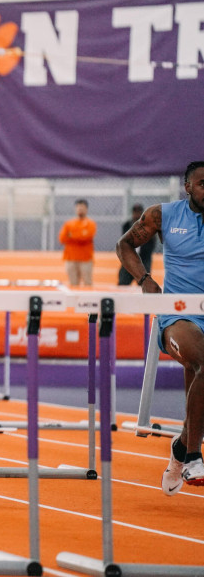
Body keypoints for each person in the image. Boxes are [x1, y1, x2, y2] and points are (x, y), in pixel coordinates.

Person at [116, 161, 204, 493]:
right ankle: (194, 455)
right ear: (188, 187)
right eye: (202, 184)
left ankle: (180, 448)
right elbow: (124, 244)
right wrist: (144, 279)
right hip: (178, 315)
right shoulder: (163, 215)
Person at [58, 199, 96, 287]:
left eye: (82, 207)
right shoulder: (69, 223)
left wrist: (71, 235)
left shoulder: (90, 224)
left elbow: (86, 237)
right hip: (71, 258)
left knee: (87, 283)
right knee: (73, 284)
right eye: (78, 207)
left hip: (85, 258)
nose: (80, 209)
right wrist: (80, 234)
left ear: (86, 209)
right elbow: (62, 238)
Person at [117, 203, 156, 285]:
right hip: (129, 259)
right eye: (135, 212)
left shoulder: (149, 225)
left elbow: (151, 245)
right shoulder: (127, 225)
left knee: (145, 284)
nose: (137, 215)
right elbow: (124, 243)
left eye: (139, 212)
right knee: (123, 282)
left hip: (143, 260)